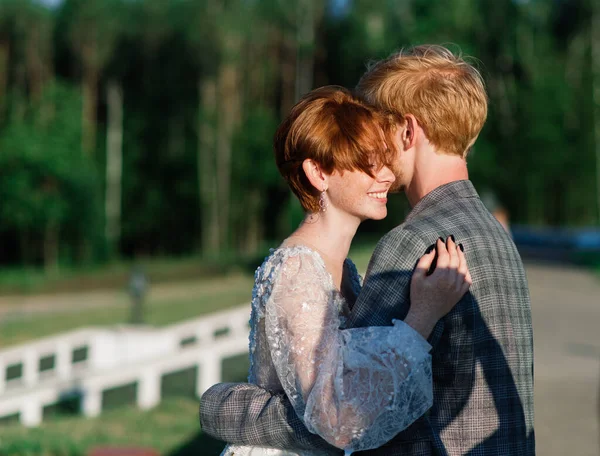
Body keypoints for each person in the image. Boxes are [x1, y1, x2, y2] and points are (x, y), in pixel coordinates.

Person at [201, 45, 535, 455]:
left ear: (408, 132)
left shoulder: (413, 244)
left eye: (379, 134)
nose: (380, 165)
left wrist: (224, 407)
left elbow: (346, 412)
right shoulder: (497, 235)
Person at [215, 85, 471, 456]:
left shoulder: (345, 270)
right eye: (369, 163)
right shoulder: (296, 270)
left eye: (386, 159)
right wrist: (423, 315)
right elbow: (333, 417)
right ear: (319, 172)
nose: (387, 175)